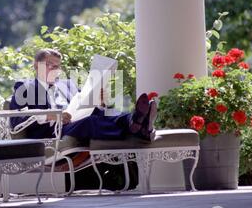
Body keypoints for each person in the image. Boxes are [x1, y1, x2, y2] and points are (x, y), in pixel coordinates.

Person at [9, 48, 157, 143]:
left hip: (72, 124)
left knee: (100, 112)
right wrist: (52, 115)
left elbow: (83, 107)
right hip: (48, 133)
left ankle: (136, 121)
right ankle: (140, 127)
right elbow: (16, 120)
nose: (55, 69)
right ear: (36, 65)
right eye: (49, 65)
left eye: (57, 66)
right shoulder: (26, 87)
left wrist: (98, 101)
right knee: (90, 122)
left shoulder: (67, 85)